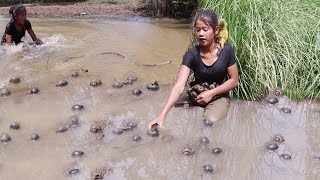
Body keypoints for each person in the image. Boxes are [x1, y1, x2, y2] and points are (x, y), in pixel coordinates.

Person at [148, 10, 239, 129]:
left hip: (218, 96)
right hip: (196, 94)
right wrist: (162, 116)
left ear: (216, 30)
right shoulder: (191, 54)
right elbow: (179, 86)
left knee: (210, 122)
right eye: (198, 30)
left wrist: (211, 93)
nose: (201, 33)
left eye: (205, 29)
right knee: (168, 105)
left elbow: (234, 80)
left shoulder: (227, 51)